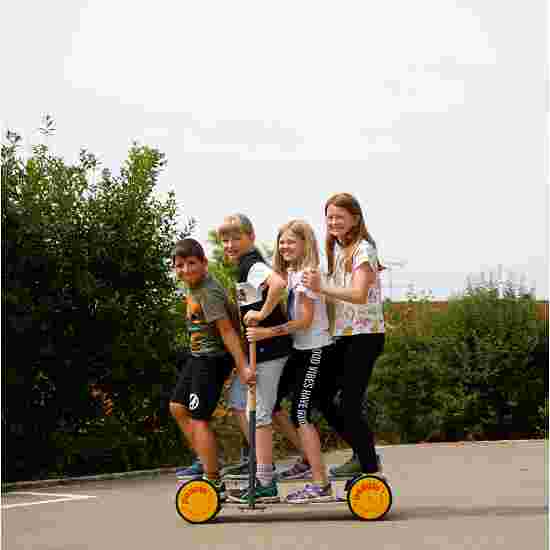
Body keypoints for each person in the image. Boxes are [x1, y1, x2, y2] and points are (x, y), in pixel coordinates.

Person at [242, 220, 335, 503]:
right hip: (299, 351)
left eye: (291, 242)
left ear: (306, 243)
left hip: (314, 350)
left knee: (301, 414)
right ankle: (304, 462)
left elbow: (305, 321)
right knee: (274, 404)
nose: (284, 247)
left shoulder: (307, 275)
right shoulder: (292, 273)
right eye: (281, 242)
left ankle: (320, 484)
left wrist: (265, 330)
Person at [217, 213, 304, 503]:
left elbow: (277, 284)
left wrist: (261, 315)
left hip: (270, 350)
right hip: (270, 349)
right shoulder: (246, 264)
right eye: (225, 239)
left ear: (251, 237)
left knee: (262, 415)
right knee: (263, 412)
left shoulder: (250, 263)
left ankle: (265, 483)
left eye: (235, 238)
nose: (230, 244)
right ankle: (268, 474)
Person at [302, 193, 385, 477]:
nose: (333, 222)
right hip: (343, 336)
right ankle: (364, 452)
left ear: (356, 218)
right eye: (329, 217)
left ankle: (369, 465)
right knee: (320, 397)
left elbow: (359, 294)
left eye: (339, 216)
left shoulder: (364, 249)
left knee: (348, 404)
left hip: (365, 335)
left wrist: (321, 286)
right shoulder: (336, 249)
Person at [168, 238, 252, 500]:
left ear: (203, 263)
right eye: (179, 265)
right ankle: (206, 460)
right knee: (177, 407)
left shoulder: (209, 292)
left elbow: (228, 333)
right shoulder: (193, 287)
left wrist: (243, 367)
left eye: (191, 263)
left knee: (198, 418)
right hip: (198, 357)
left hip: (213, 360)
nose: (185, 270)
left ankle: (213, 480)